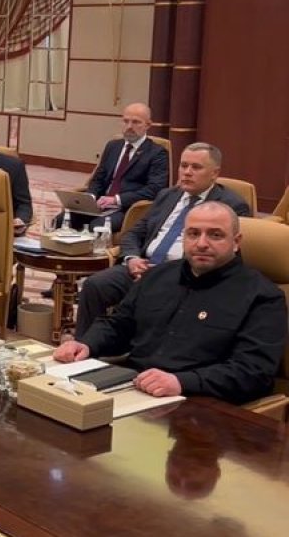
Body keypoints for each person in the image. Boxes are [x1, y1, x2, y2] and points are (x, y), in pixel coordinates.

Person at [55, 202, 286, 404]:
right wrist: (87, 344)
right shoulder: (157, 276)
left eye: (215, 235)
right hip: (133, 387)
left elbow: (253, 372)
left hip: (201, 403)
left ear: (236, 242)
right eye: (193, 234)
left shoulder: (262, 297)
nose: (202, 243)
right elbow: (119, 324)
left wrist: (181, 382)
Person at [74, 143, 251, 336]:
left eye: (196, 167)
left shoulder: (231, 206)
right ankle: (85, 347)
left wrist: (162, 274)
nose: (187, 172)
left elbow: (224, 255)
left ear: (214, 173)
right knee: (94, 285)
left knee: (151, 302)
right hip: (141, 268)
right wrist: (132, 259)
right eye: (183, 166)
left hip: (183, 277)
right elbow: (134, 233)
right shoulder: (167, 195)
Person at [68, 102, 169, 232]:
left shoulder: (157, 153)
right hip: (100, 204)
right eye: (126, 121)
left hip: (127, 208)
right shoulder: (113, 146)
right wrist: (91, 198)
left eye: (136, 122)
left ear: (148, 125)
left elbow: (154, 189)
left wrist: (117, 200)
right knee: (62, 219)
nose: (129, 126)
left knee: (97, 227)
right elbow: (98, 178)